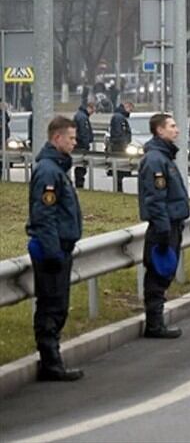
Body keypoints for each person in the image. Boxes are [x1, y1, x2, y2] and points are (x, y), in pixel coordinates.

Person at [26, 116, 84, 381]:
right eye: (71, 138)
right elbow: (44, 215)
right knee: (51, 304)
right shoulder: (49, 171)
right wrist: (52, 252)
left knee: (58, 303)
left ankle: (52, 358)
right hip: (52, 249)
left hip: (60, 246)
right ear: (57, 138)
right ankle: (50, 362)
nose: (75, 142)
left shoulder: (57, 168)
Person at [138, 113, 190, 339]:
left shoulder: (164, 157)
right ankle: (154, 323)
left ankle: (156, 321)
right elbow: (155, 197)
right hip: (164, 226)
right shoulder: (155, 160)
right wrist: (162, 228)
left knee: (164, 273)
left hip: (171, 223)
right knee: (158, 274)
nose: (176, 130)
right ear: (159, 130)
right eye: (172, 126)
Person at [108, 101, 133, 191]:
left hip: (119, 145)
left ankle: (119, 188)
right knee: (119, 169)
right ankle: (118, 189)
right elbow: (119, 133)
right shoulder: (119, 117)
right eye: (130, 109)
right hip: (119, 147)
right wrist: (124, 143)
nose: (130, 111)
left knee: (120, 170)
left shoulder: (119, 116)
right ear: (126, 106)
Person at [73, 101, 96, 188]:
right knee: (80, 167)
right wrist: (86, 145)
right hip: (81, 146)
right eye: (93, 110)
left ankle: (79, 183)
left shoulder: (80, 115)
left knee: (80, 167)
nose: (93, 113)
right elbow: (84, 133)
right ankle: (79, 185)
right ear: (89, 108)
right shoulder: (82, 117)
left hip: (78, 145)